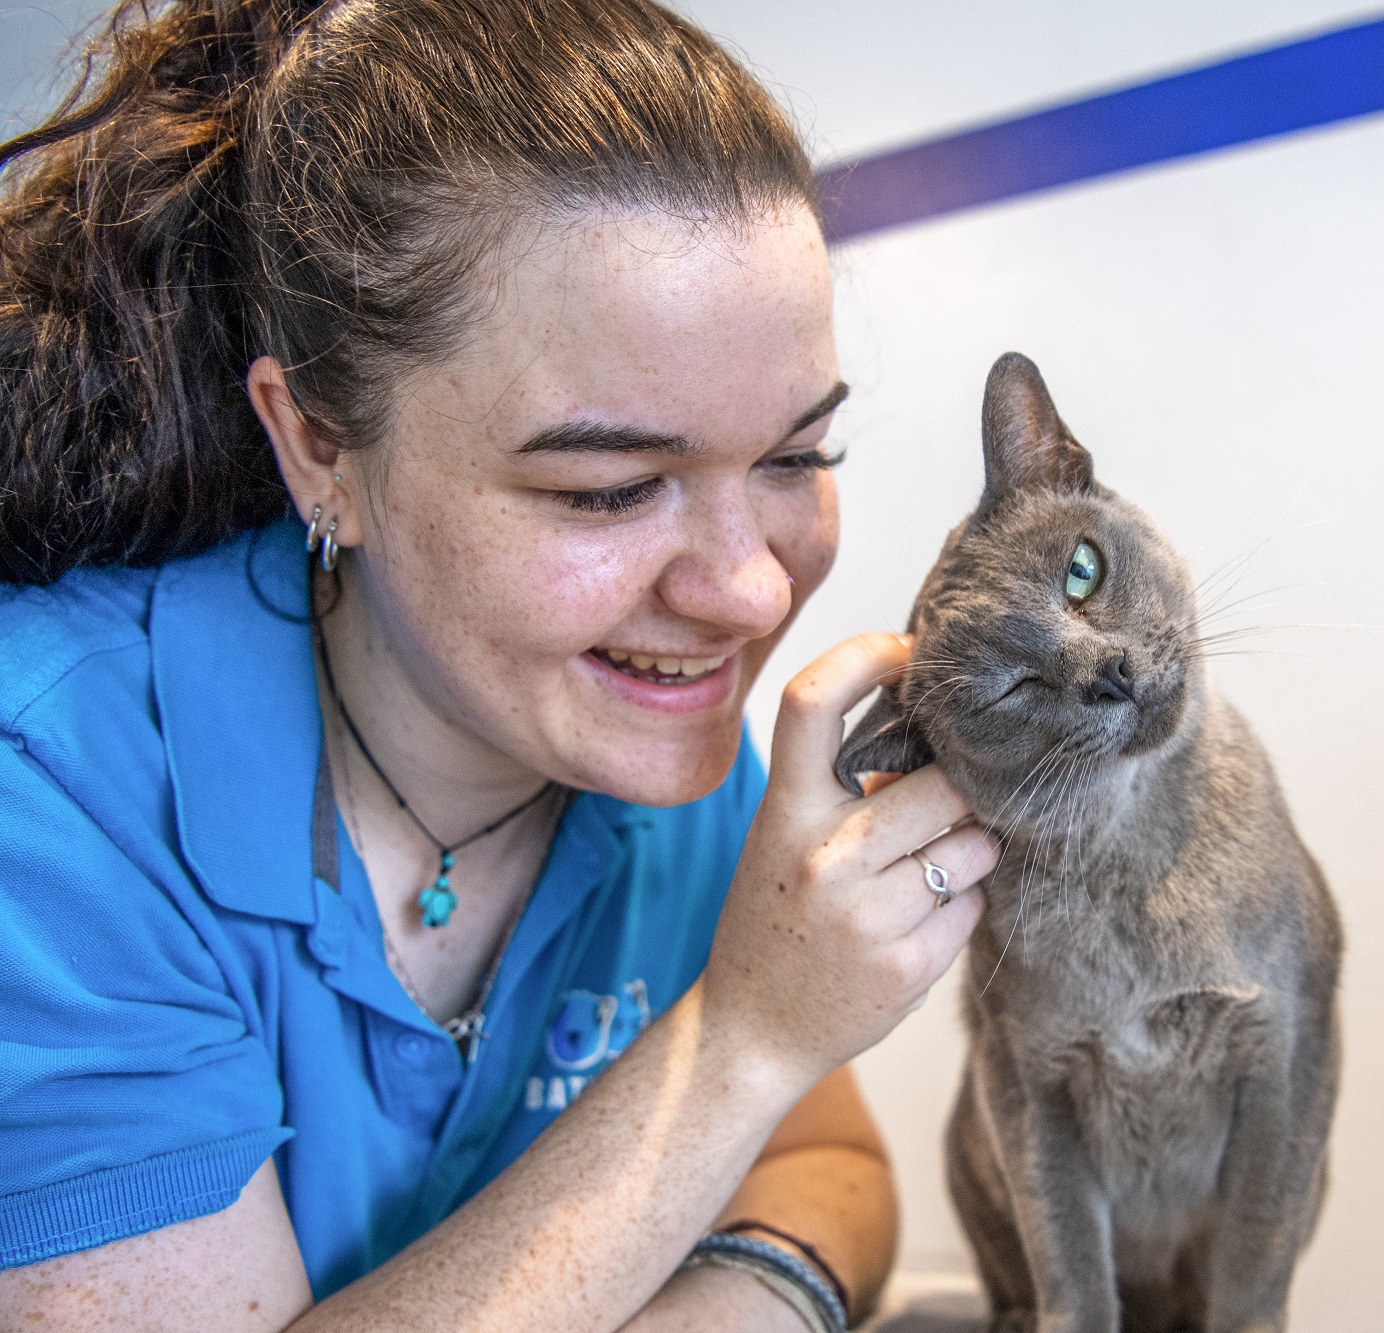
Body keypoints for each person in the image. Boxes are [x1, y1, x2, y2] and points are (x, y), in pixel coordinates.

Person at [0, 0, 997, 1328]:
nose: (751, 589)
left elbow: (826, 1164)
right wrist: (745, 1039)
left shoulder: (652, 736)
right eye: (608, 490)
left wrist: (737, 1295)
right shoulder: (55, 790)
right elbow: (755, 1091)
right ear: (318, 448)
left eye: (797, 457)